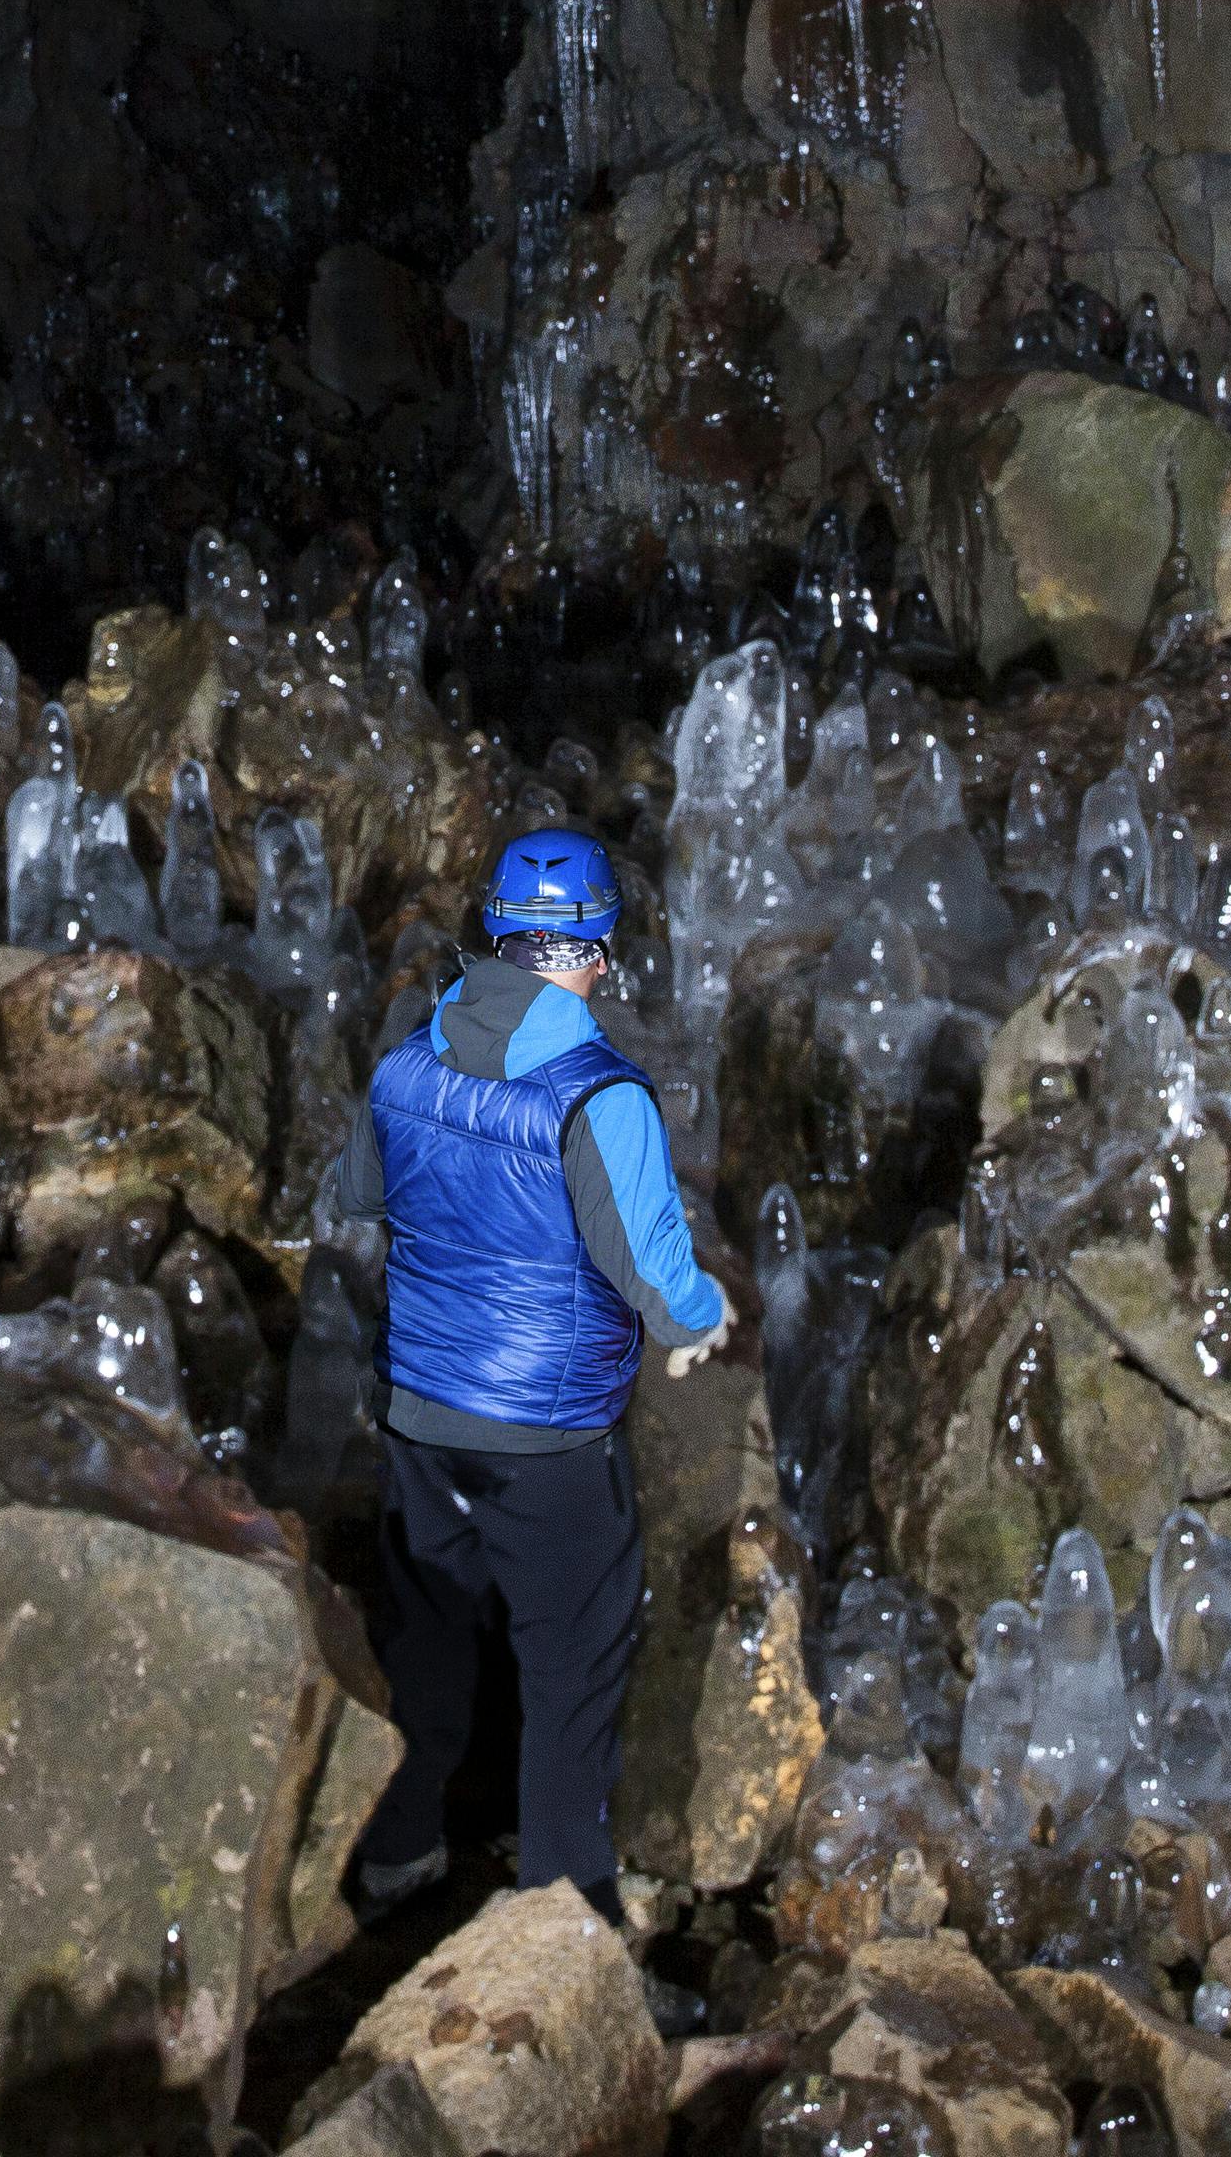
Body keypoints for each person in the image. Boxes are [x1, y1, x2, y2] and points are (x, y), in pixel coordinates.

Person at [330, 822, 728, 1925]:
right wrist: (707, 1313)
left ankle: (399, 1855)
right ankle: (563, 1916)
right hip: (547, 1436)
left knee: (428, 1632)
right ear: (598, 947)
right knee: (573, 1665)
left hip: (419, 1410)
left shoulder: (408, 1056)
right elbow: (655, 1276)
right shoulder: (603, 1096)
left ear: (498, 934)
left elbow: (358, 1199)